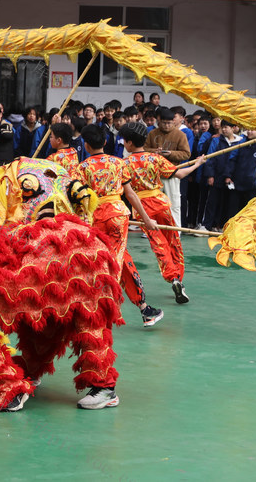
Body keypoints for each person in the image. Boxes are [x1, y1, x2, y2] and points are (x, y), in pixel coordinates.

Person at [78, 125, 163, 327]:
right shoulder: (118, 163)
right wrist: (146, 219)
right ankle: (110, 310)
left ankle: (139, 308)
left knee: (107, 260)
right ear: (105, 142)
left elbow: (79, 198)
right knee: (117, 260)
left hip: (95, 217)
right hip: (117, 216)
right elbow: (130, 194)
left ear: (86, 145)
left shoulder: (82, 168)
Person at [120, 123, 205, 303]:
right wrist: (197, 164)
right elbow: (179, 174)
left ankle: (172, 277)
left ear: (129, 143)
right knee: (173, 240)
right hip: (160, 204)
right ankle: (177, 278)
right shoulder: (155, 158)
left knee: (158, 244)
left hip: (142, 208)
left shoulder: (124, 164)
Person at [145, 106, 191, 226]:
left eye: (169, 123)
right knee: (153, 203)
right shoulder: (152, 133)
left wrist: (171, 153)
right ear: (159, 121)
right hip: (155, 174)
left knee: (174, 203)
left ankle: (176, 229)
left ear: (174, 122)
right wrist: (154, 152)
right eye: (164, 123)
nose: (166, 126)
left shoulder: (180, 135)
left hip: (172, 173)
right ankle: (151, 229)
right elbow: (144, 150)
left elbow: (186, 154)